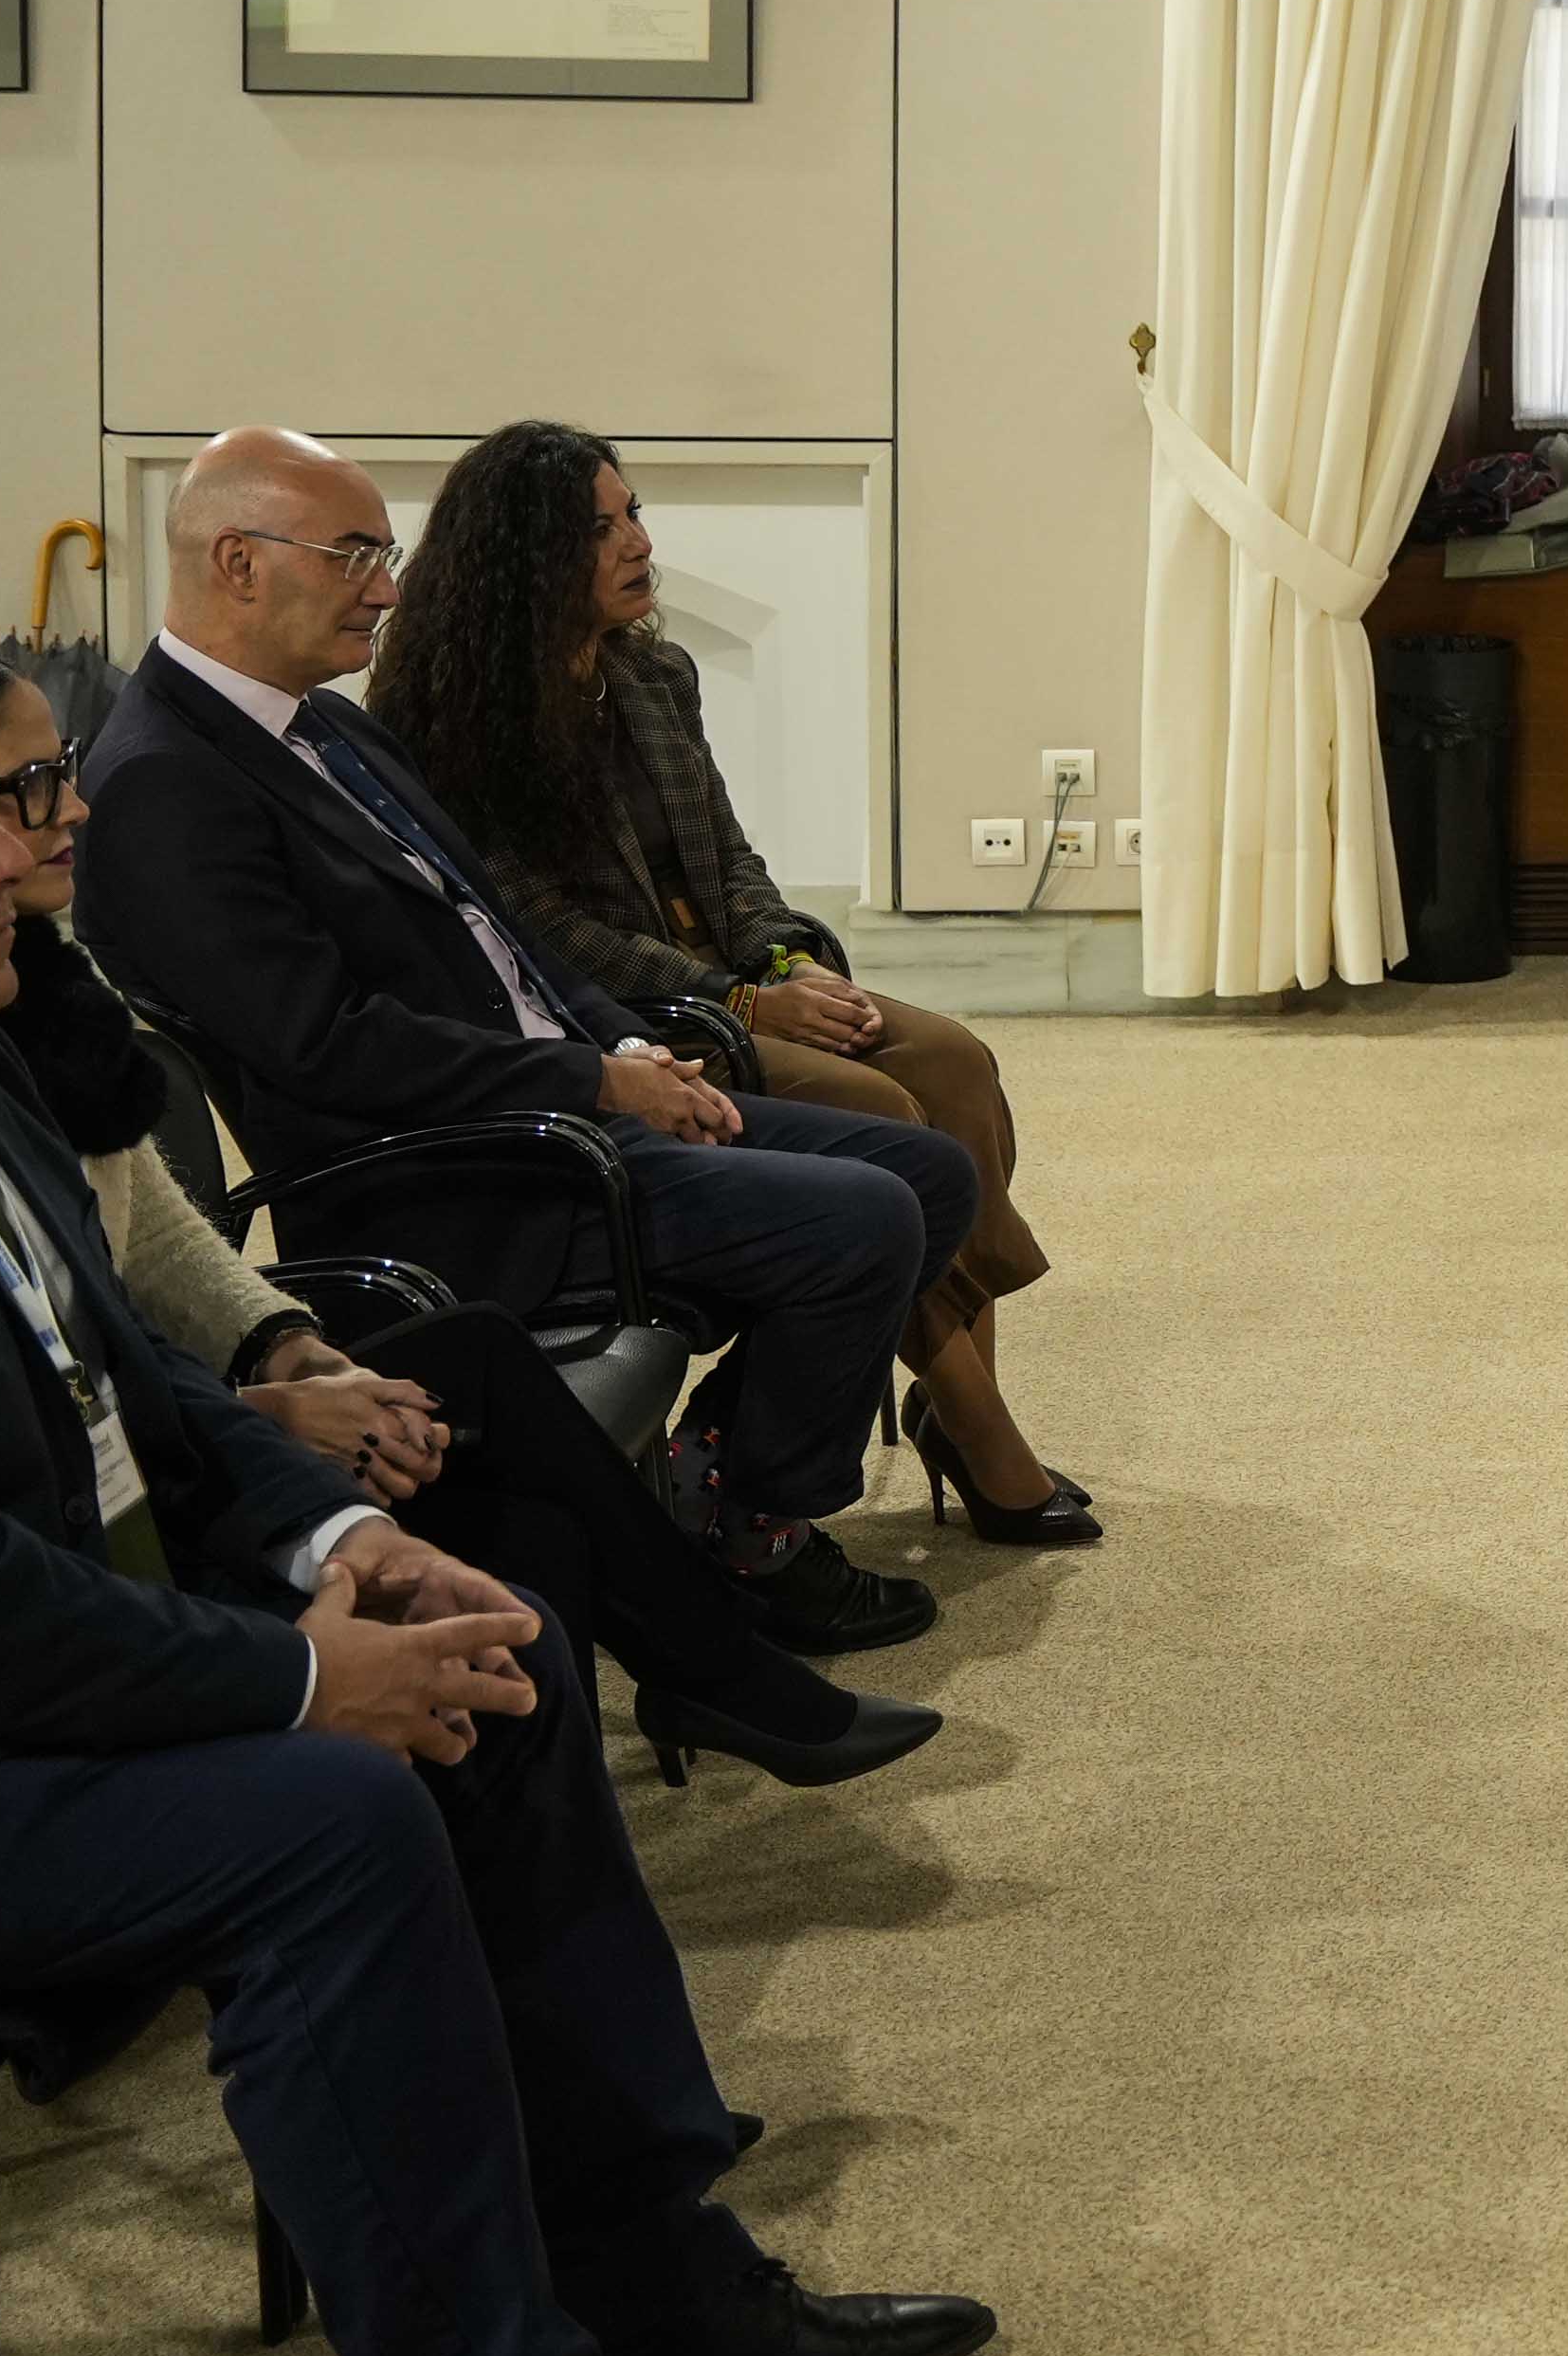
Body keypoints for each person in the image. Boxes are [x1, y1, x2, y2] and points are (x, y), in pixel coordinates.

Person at [0, 629, 992, 2356]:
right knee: (328, 1814)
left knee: (496, 1646)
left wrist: (336, 1536)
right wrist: (299, 1672)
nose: (16, 858)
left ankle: (659, 2284)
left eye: (3, 806)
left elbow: (119, 1362)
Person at [0, 659, 939, 1788]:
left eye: (63, 773)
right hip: (402, 1213)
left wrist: (284, 1339)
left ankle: (709, 1636)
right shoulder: (153, 802)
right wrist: (253, 1401)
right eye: (31, 783)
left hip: (230, 1361)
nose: (71, 805)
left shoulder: (45, 967)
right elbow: (318, 1055)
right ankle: (726, 1639)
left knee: (902, 1166)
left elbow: (161, 1227)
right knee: (526, 1427)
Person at [76, 430, 975, 1640]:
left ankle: (701, 1486)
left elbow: (506, 933)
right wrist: (592, 1078)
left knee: (926, 1167)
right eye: (354, 556)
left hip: (562, 1106)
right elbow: (331, 1049)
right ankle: (756, 1531)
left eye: (384, 556)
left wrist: (634, 1052)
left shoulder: (326, 728)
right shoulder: (164, 782)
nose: (387, 588)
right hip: (466, 1171)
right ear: (238, 561)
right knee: (866, 1217)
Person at [362, 422, 1088, 1543]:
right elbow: (536, 928)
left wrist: (787, 959)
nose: (636, 542)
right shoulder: (441, 710)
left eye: (634, 510)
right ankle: (978, 1422)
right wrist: (741, 1004)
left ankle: (951, 1402)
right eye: (597, 527)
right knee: (885, 1112)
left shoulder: (654, 667)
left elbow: (726, 851)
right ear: (519, 557)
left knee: (953, 1059)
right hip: (623, 1008)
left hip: (729, 966)